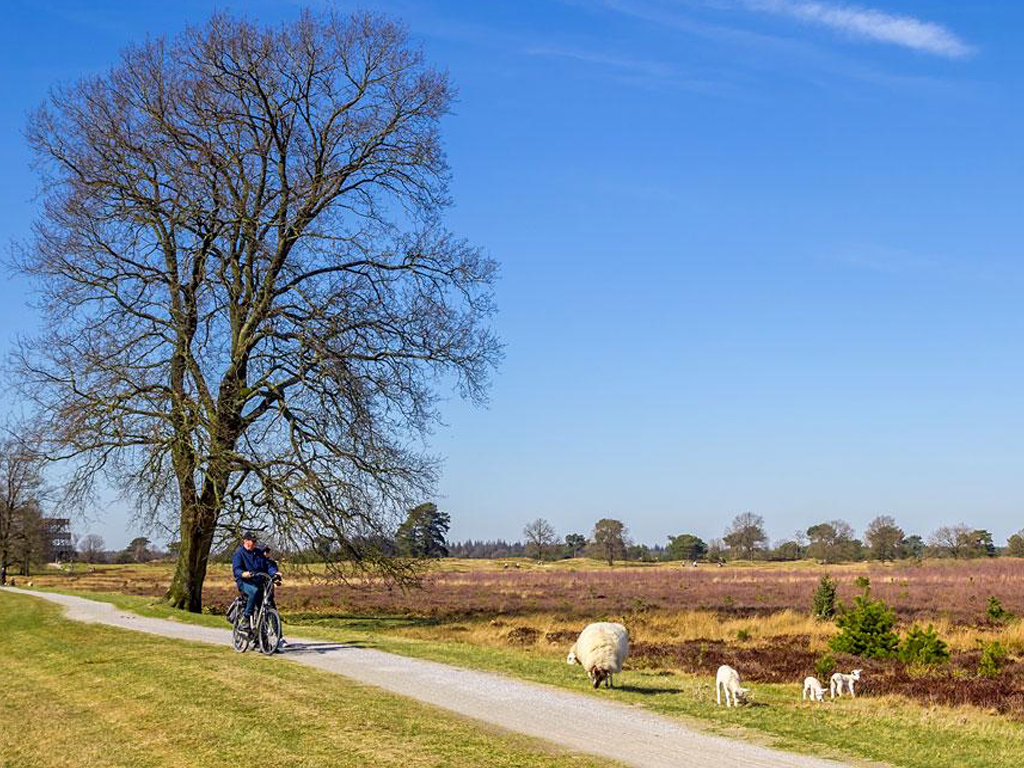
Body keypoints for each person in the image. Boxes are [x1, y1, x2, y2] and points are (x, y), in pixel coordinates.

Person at [232, 531, 278, 631]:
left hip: (259, 581)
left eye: (253, 541)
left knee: (265, 604)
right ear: (245, 541)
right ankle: (246, 618)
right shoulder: (239, 553)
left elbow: (268, 565)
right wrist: (243, 573)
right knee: (253, 591)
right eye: (249, 541)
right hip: (245, 582)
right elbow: (236, 569)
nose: (252, 543)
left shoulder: (259, 553)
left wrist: (274, 573)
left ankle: (262, 638)